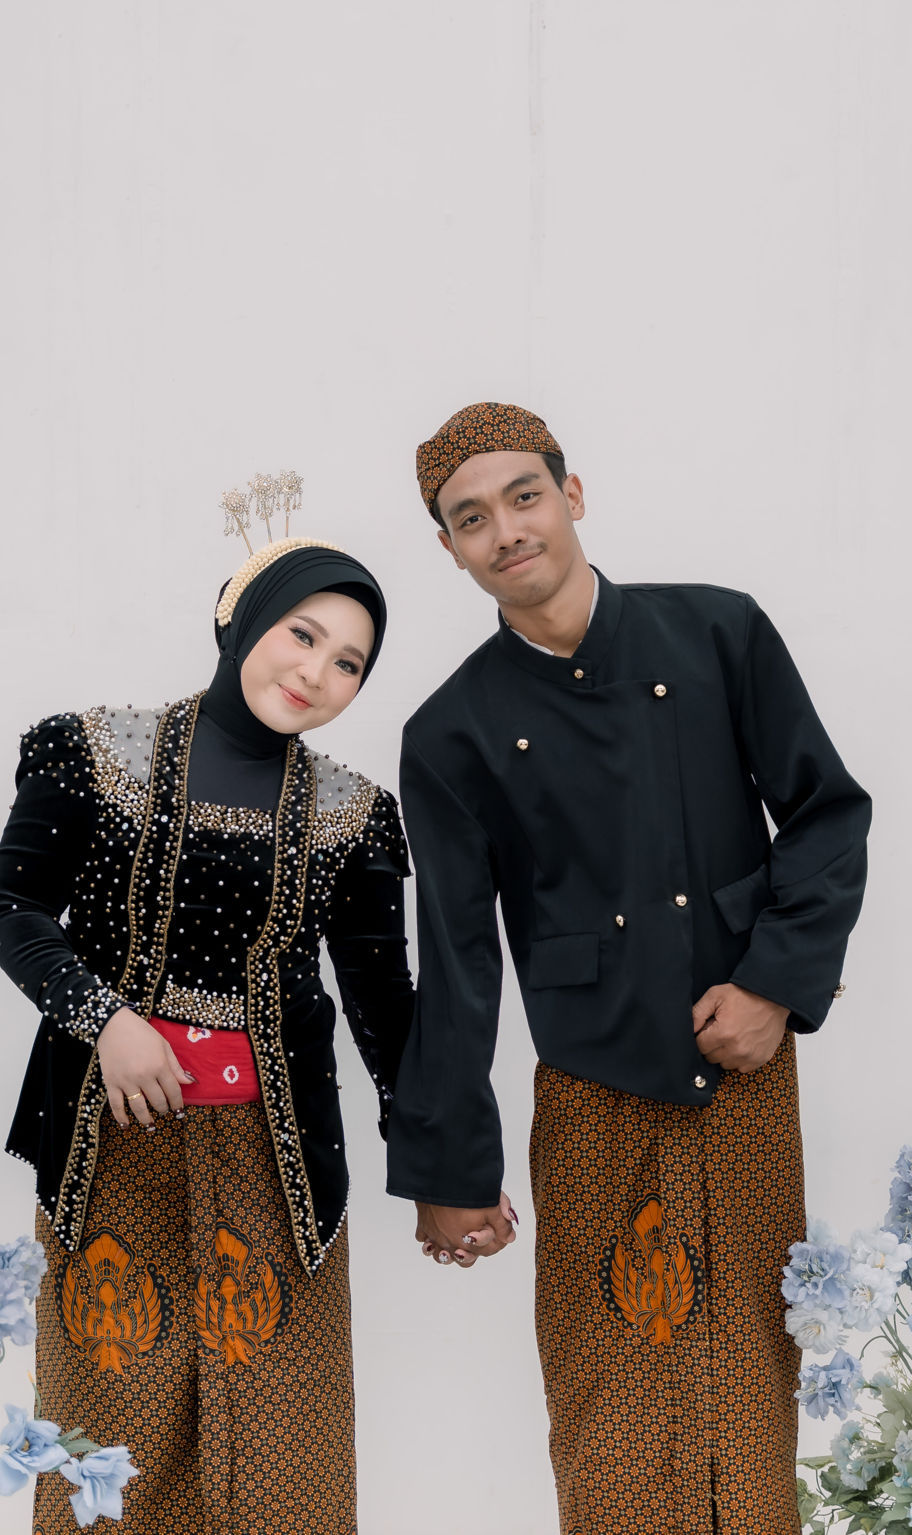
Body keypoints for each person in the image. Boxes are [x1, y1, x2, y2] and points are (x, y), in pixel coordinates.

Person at [385, 401, 871, 1535]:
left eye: (524, 496)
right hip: (589, 1091)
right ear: (449, 549)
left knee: (749, 1391)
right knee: (605, 1400)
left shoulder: (717, 631)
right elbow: (455, 960)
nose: (506, 529)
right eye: (471, 518)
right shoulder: (448, 730)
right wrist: (449, 1166)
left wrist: (775, 982)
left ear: (572, 494)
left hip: (742, 1068)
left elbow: (824, 812)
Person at [0, 535, 414, 1535]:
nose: (316, 670)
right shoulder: (92, 752)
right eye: (301, 633)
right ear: (240, 617)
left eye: (349, 661)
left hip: (280, 1171)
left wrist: (449, 1164)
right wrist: (107, 1021)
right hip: (109, 1150)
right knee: (108, 1444)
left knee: (287, 1452)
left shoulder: (355, 814)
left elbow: (384, 1006)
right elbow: (13, 911)